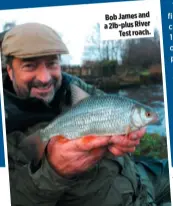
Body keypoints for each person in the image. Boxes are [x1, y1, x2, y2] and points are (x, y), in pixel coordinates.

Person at [1, 22, 171, 206]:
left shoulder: (74, 87)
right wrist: (53, 171)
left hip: (140, 180)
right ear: (10, 71)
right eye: (29, 66)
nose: (45, 78)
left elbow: (112, 105)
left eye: (51, 63)